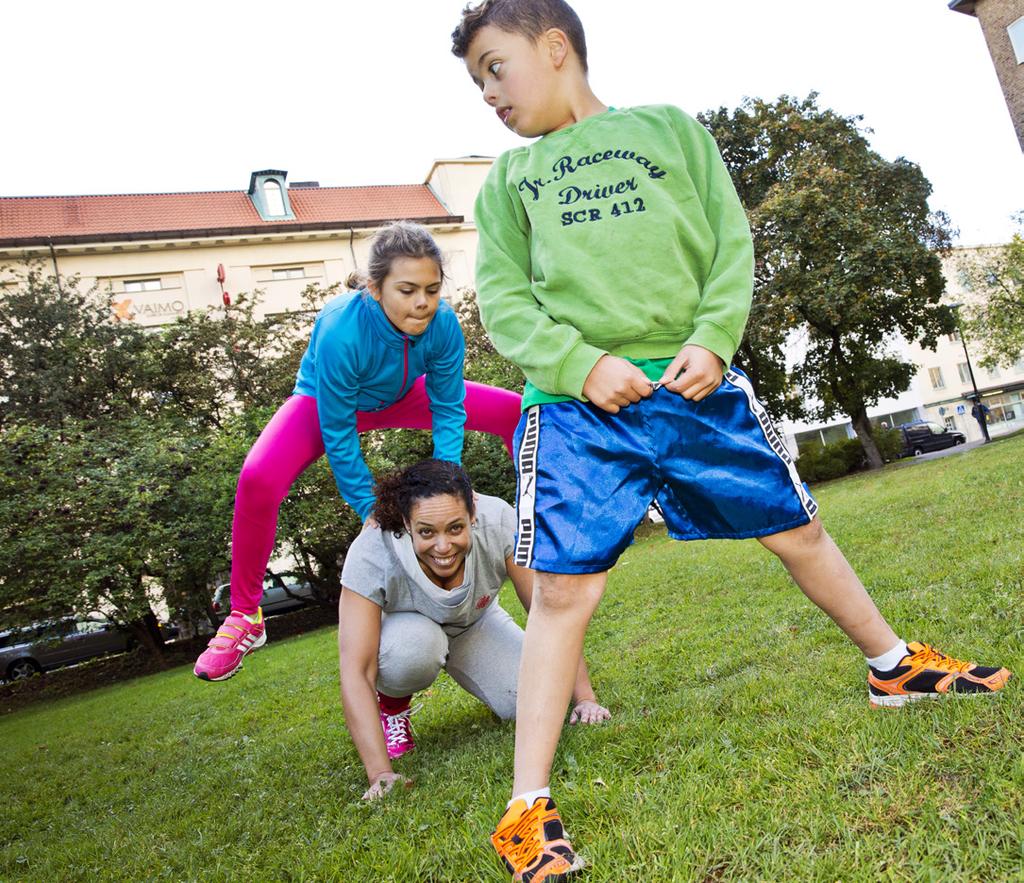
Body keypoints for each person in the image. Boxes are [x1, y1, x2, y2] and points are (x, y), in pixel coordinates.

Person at [450, 2, 1013, 880]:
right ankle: (525, 808)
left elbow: (730, 246)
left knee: (797, 528)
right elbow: (507, 303)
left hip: (694, 387)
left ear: (554, 46)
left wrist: (714, 338)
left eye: (494, 66)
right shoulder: (508, 182)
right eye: (475, 80)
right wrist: (579, 362)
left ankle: (892, 666)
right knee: (561, 597)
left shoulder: (670, 129)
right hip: (574, 411)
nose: (487, 92)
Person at [194, 221, 523, 685]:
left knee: (516, 411)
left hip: (405, 393)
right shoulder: (340, 330)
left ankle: (540, 526)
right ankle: (245, 616)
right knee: (258, 476)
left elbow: (449, 406)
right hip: (328, 402)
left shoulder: (443, 324)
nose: (422, 302)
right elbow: (339, 433)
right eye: (407, 290)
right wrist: (372, 508)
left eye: (431, 289)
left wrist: (450, 485)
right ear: (374, 287)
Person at [338, 459, 609, 801]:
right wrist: (380, 774)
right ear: (407, 524)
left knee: (523, 701)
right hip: (406, 633)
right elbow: (356, 670)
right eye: (426, 532)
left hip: (474, 623)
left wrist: (585, 698)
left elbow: (549, 613)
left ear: (473, 515)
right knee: (415, 648)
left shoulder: (499, 521)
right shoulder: (372, 551)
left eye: (455, 528)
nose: (442, 546)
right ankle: (392, 707)